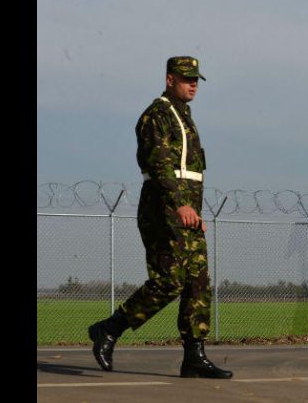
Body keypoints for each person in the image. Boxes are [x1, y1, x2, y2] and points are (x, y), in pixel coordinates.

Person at [88, 56, 232, 379]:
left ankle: (194, 356)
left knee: (197, 282)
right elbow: (160, 165)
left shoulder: (184, 117)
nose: (193, 84)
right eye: (186, 78)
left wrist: (193, 210)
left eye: (195, 79)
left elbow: (188, 173)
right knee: (169, 281)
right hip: (163, 210)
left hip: (186, 212)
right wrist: (180, 205)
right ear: (169, 80)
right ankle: (109, 329)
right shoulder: (157, 115)